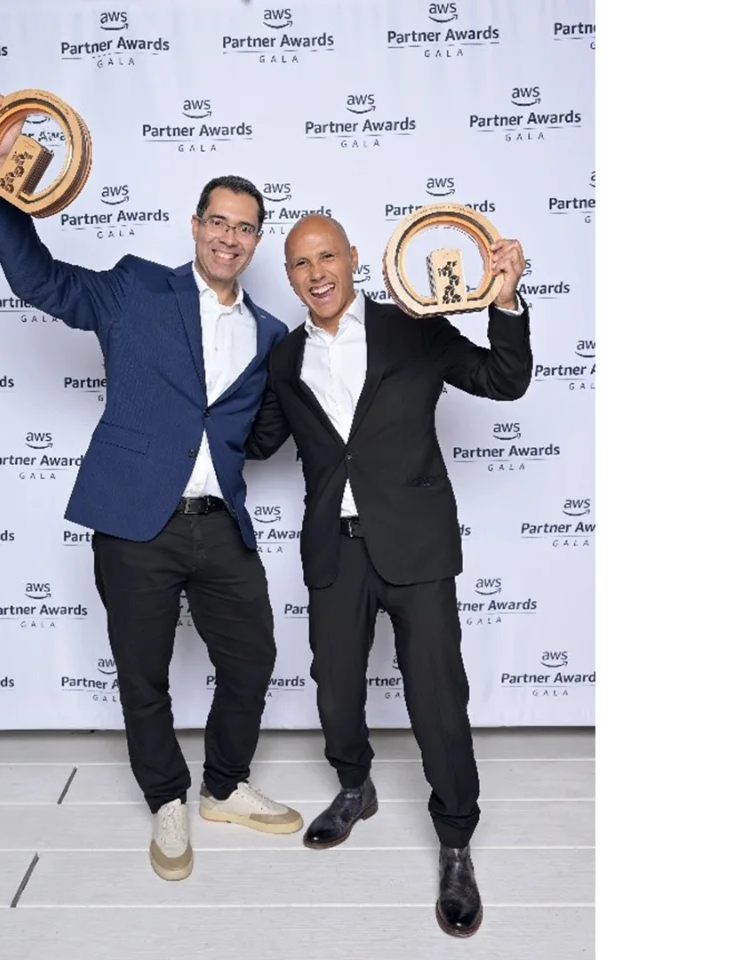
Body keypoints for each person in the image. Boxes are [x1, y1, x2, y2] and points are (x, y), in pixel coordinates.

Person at [0, 93, 305, 882]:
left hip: (218, 522)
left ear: (256, 241)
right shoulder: (134, 289)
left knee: (252, 657)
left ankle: (225, 787)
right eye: (217, 220)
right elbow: (40, 281)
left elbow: (258, 433)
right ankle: (167, 799)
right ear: (196, 226)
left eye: (245, 226)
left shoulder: (268, 334)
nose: (229, 236)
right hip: (133, 520)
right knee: (142, 670)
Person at [244, 214, 532, 938]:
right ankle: (354, 786)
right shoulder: (282, 359)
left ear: (352, 260)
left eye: (326, 257)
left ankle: (457, 839)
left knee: (437, 696)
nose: (315, 273)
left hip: (417, 546)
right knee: (336, 689)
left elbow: (504, 378)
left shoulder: (413, 326)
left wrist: (505, 303)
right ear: (290, 276)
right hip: (334, 551)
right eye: (300, 264)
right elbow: (257, 439)